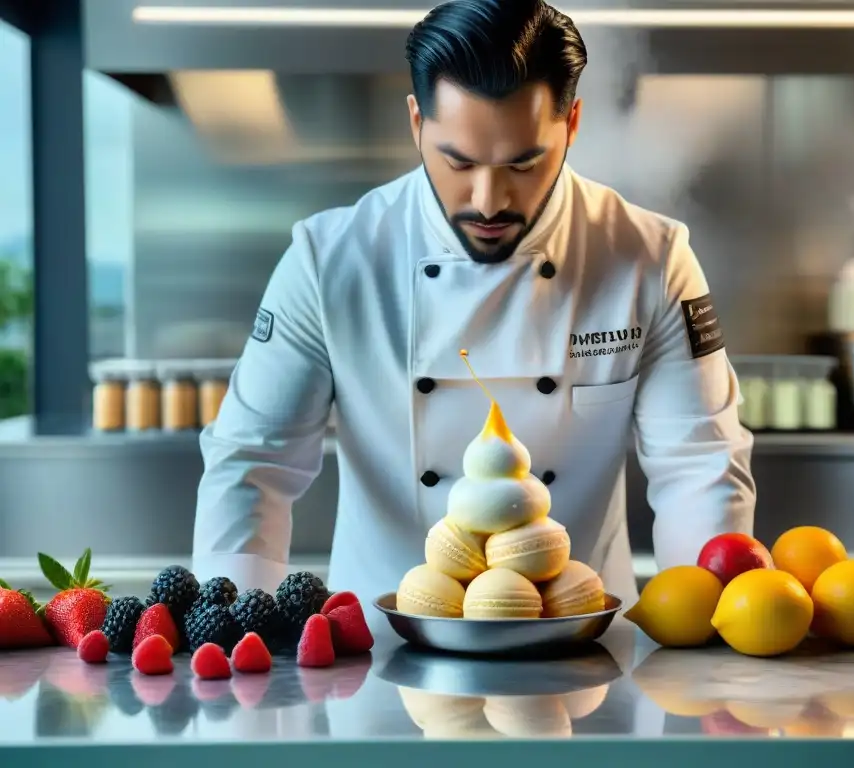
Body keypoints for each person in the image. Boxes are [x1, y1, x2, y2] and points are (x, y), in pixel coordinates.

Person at [191, 0, 756, 610]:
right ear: (416, 123)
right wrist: (233, 630)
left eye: (523, 162)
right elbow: (253, 464)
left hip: (588, 652)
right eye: (459, 161)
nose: (488, 201)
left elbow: (699, 463)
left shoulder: (651, 257)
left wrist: (716, 627)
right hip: (376, 655)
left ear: (571, 124)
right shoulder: (329, 260)